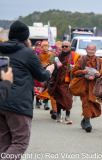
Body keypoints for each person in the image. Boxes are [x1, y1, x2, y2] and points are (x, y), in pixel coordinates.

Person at [0, 20, 54, 159]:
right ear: (25, 36)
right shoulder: (27, 53)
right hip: (18, 103)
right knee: (20, 143)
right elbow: (41, 76)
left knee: (4, 142)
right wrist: (49, 70)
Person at [71, 44, 102, 132]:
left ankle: (85, 119)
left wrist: (99, 74)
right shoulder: (82, 59)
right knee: (86, 103)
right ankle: (88, 124)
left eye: (93, 49)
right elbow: (73, 72)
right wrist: (83, 71)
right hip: (84, 85)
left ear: (95, 50)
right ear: (86, 50)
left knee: (95, 106)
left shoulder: (99, 60)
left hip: (95, 87)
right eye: (89, 49)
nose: (91, 51)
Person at [51, 41, 80, 124]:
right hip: (58, 80)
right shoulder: (59, 56)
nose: (64, 48)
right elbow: (54, 67)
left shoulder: (74, 56)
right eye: (63, 46)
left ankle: (67, 116)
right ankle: (59, 115)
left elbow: (79, 66)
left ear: (70, 47)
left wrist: (73, 69)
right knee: (59, 98)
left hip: (68, 81)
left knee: (68, 99)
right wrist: (55, 64)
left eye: (66, 46)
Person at [35, 41, 55, 110]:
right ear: (42, 47)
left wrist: (48, 65)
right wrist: (41, 65)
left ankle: (46, 103)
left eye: (47, 46)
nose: (45, 47)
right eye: (44, 46)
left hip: (47, 72)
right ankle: (37, 102)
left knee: (47, 88)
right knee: (39, 87)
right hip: (40, 72)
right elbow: (36, 63)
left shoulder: (51, 54)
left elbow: (52, 63)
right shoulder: (39, 54)